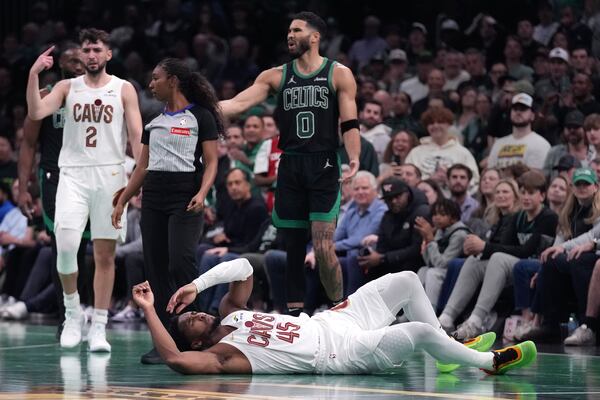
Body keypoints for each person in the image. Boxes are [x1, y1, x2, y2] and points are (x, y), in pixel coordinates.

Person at [132, 258, 538, 375]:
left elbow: (243, 267)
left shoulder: (231, 313)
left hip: (332, 320)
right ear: (199, 342)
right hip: (341, 354)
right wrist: (151, 310)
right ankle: (488, 363)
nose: (198, 315)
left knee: (407, 280)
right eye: (192, 322)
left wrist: (198, 285)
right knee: (415, 331)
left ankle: (448, 356)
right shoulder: (222, 356)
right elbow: (175, 359)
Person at [219, 12, 360, 314]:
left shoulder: (338, 73)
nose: (290, 35)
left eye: (297, 30)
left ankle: (340, 310)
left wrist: (354, 157)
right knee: (293, 248)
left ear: (315, 36)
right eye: (288, 31)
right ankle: (296, 319)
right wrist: (200, 108)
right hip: (292, 165)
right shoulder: (275, 75)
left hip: (323, 164)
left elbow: (350, 122)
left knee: (323, 247)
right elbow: (239, 103)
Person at [26, 29, 143, 352]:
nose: (90, 55)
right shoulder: (65, 87)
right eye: (86, 50)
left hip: (111, 174)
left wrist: (136, 183)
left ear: (108, 55)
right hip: (73, 175)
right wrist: (34, 75)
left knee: (104, 255)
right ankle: (73, 312)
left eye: (96, 50)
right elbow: (36, 112)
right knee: (65, 245)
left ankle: (99, 327)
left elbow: (136, 137)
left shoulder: (123, 89)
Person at [111, 58, 221, 363]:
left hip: (186, 197)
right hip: (154, 200)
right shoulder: (153, 121)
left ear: (173, 80)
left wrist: (202, 192)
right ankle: (166, 341)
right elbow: (142, 166)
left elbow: (212, 162)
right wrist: (122, 199)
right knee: (156, 269)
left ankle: (196, 333)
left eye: (155, 79)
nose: (150, 85)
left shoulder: (201, 116)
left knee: (180, 261)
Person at [17, 45, 90, 336]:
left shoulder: (99, 97)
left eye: (83, 59)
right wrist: (23, 188)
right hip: (55, 179)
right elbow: (28, 144)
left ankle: (81, 312)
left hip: (89, 179)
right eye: (72, 59)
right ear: (59, 64)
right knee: (63, 246)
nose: (79, 64)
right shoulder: (47, 96)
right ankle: (66, 318)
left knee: (83, 250)